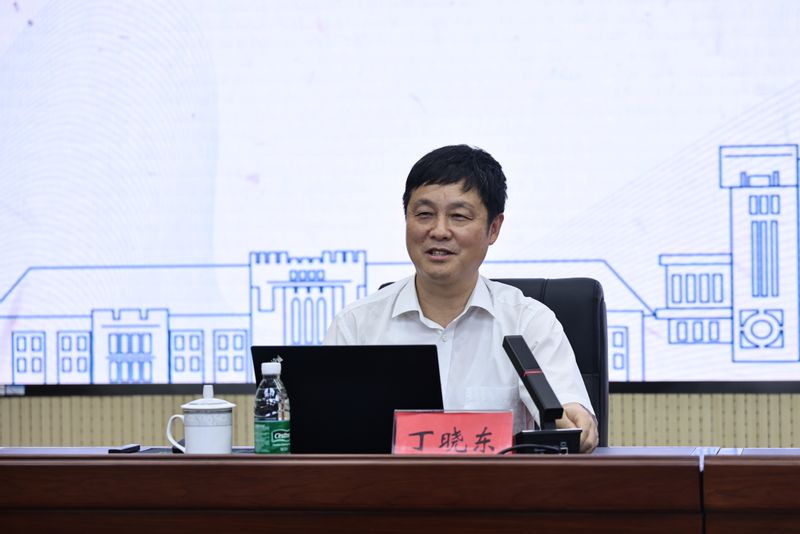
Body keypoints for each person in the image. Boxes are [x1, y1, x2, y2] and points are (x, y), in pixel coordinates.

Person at [324, 144, 599, 453]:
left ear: (493, 228)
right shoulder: (356, 325)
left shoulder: (529, 323)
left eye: (458, 216)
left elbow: (569, 414)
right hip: (389, 484)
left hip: (499, 484)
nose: (439, 231)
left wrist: (574, 422)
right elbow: (327, 432)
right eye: (424, 214)